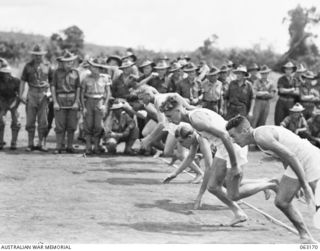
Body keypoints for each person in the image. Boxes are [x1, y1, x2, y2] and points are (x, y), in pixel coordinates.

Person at [160, 96, 277, 225]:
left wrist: (234, 164)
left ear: (178, 110)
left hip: (233, 146)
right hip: (223, 148)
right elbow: (193, 154)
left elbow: (225, 135)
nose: (169, 120)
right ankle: (240, 212)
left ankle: (268, 184)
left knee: (233, 192)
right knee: (215, 186)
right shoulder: (192, 116)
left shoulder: (196, 120)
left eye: (170, 116)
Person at [226, 115, 320, 242]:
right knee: (281, 201)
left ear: (244, 131)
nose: (232, 141)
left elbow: (291, 155)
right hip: (298, 160)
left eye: (233, 136)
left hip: (309, 158)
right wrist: (292, 179)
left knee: (316, 200)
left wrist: (304, 185)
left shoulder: (261, 136)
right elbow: (285, 156)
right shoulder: (258, 137)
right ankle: (305, 236)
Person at [19, 44, 53, 151]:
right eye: (36, 55)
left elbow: (52, 82)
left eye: (40, 55)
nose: (38, 57)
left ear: (43, 55)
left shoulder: (48, 66)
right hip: (32, 93)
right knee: (30, 120)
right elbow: (23, 81)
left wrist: (51, 94)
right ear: (33, 55)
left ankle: (41, 143)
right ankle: (30, 143)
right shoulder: (27, 66)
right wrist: (21, 95)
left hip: (43, 94)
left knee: (43, 121)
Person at [51, 50, 80, 154]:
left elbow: (78, 88)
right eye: (67, 62)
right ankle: (59, 146)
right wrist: (55, 102)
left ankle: (70, 146)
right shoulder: (56, 72)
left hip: (72, 101)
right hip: (60, 100)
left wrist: (76, 102)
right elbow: (53, 87)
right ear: (62, 62)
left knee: (71, 126)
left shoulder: (76, 73)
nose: (70, 64)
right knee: (60, 125)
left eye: (71, 62)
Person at [81, 59, 111, 154]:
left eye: (96, 67)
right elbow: (81, 93)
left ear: (99, 68)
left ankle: (97, 146)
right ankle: (88, 147)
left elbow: (108, 93)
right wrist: (83, 107)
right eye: (92, 67)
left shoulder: (105, 78)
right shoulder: (86, 78)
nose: (93, 69)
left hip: (99, 101)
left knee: (98, 125)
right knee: (88, 125)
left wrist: (105, 105)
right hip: (89, 101)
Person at [0, 61, 21, 150]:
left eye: (7, 72)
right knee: (0, 120)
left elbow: (19, 94)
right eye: (4, 73)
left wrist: (15, 104)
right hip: (2, 100)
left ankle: (14, 142)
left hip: (13, 99)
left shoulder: (16, 81)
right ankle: (0, 142)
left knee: (16, 121)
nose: (6, 75)